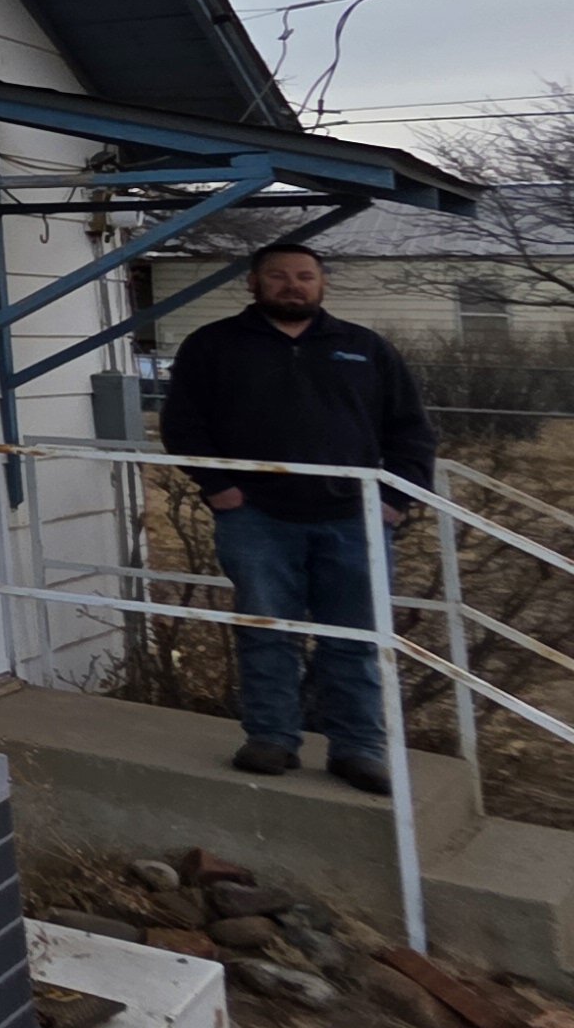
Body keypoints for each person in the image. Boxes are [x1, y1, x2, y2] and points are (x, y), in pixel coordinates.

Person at [154, 239, 436, 794]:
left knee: (354, 637)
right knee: (267, 631)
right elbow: (183, 425)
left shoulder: (364, 347)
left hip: (354, 521)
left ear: (321, 283)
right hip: (257, 518)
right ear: (254, 284)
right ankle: (272, 739)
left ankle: (357, 749)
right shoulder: (213, 346)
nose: (293, 285)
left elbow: (411, 431)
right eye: (278, 276)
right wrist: (218, 486)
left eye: (305, 276)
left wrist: (397, 501)